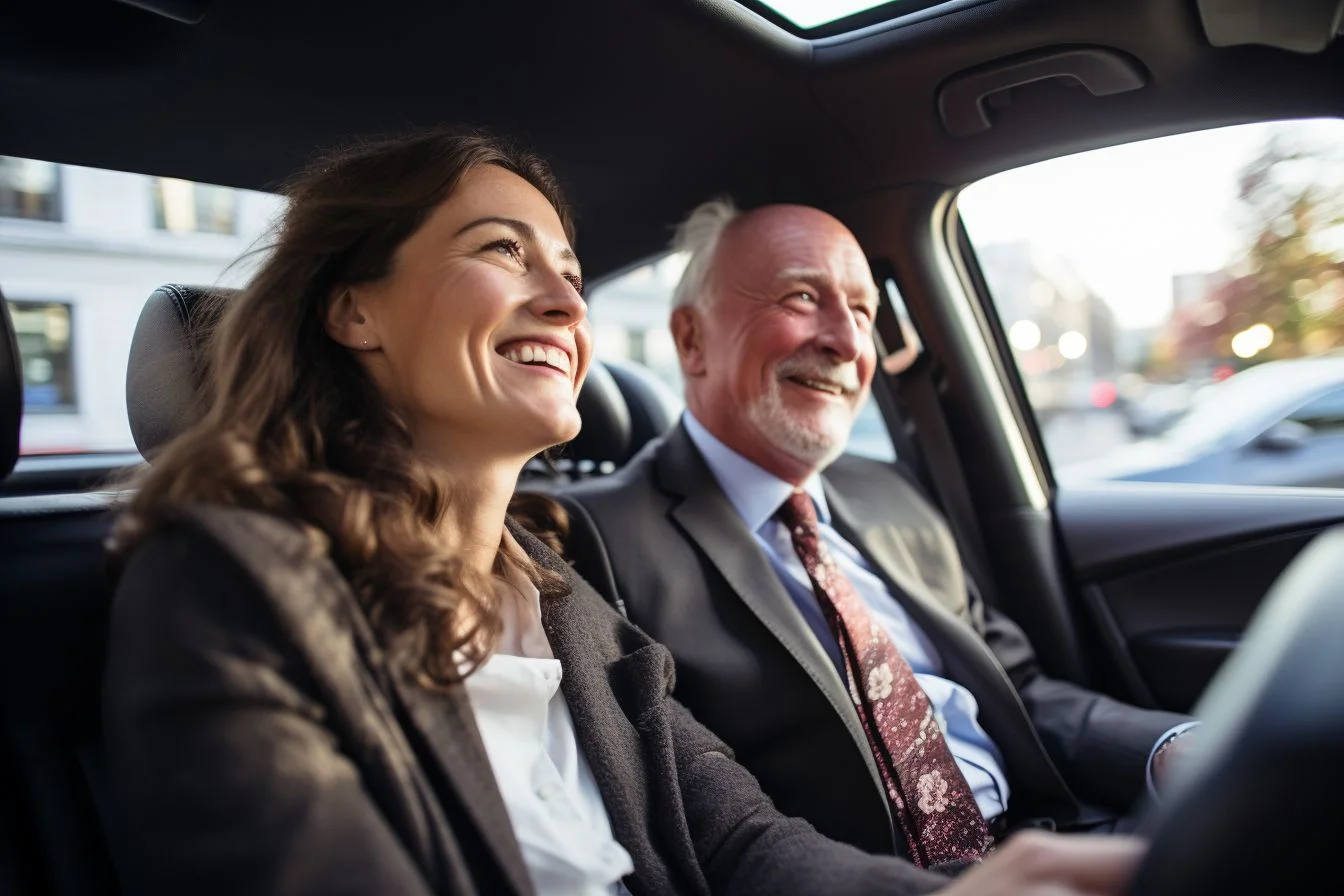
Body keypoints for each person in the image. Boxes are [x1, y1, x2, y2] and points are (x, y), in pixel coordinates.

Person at [102, 127, 1145, 896]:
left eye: (569, 270)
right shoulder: (230, 578)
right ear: (353, 306)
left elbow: (739, 841)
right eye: (502, 250)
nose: (565, 299)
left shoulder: (560, 598)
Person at [560, 197, 1198, 866]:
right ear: (692, 340)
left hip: (1055, 839)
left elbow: (1020, 688)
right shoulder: (595, 539)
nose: (848, 342)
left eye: (862, 312)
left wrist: (1167, 749)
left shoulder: (891, 493)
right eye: (803, 297)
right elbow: (703, 822)